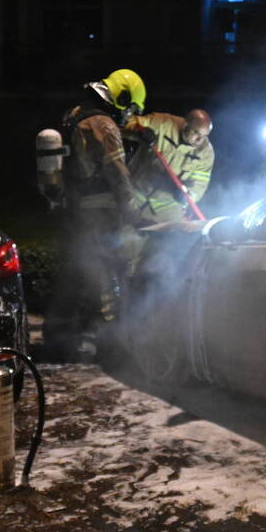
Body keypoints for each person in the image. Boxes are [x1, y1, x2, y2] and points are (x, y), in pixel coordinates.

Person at [59, 69, 146, 356]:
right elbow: (116, 172)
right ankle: (112, 344)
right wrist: (133, 210)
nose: (127, 115)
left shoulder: (77, 114)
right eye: (129, 108)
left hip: (77, 207)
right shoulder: (104, 124)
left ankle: (64, 338)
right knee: (110, 275)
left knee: (81, 273)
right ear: (121, 99)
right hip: (100, 211)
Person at [124, 108, 214, 225]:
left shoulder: (205, 153)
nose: (200, 140)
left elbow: (199, 186)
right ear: (185, 126)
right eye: (196, 133)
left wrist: (187, 197)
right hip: (134, 196)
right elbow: (127, 123)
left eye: (204, 136)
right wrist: (139, 131)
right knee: (123, 238)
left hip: (167, 210)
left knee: (172, 240)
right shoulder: (163, 123)